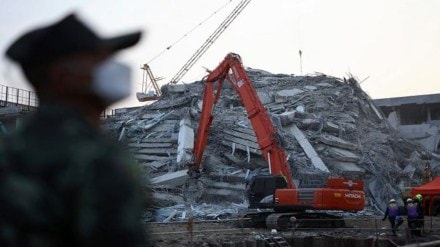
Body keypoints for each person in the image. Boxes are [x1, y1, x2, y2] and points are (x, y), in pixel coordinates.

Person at [0, 14, 152, 246]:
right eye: (99, 59)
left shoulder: (12, 148)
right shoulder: (94, 156)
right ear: (63, 77)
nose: (115, 67)